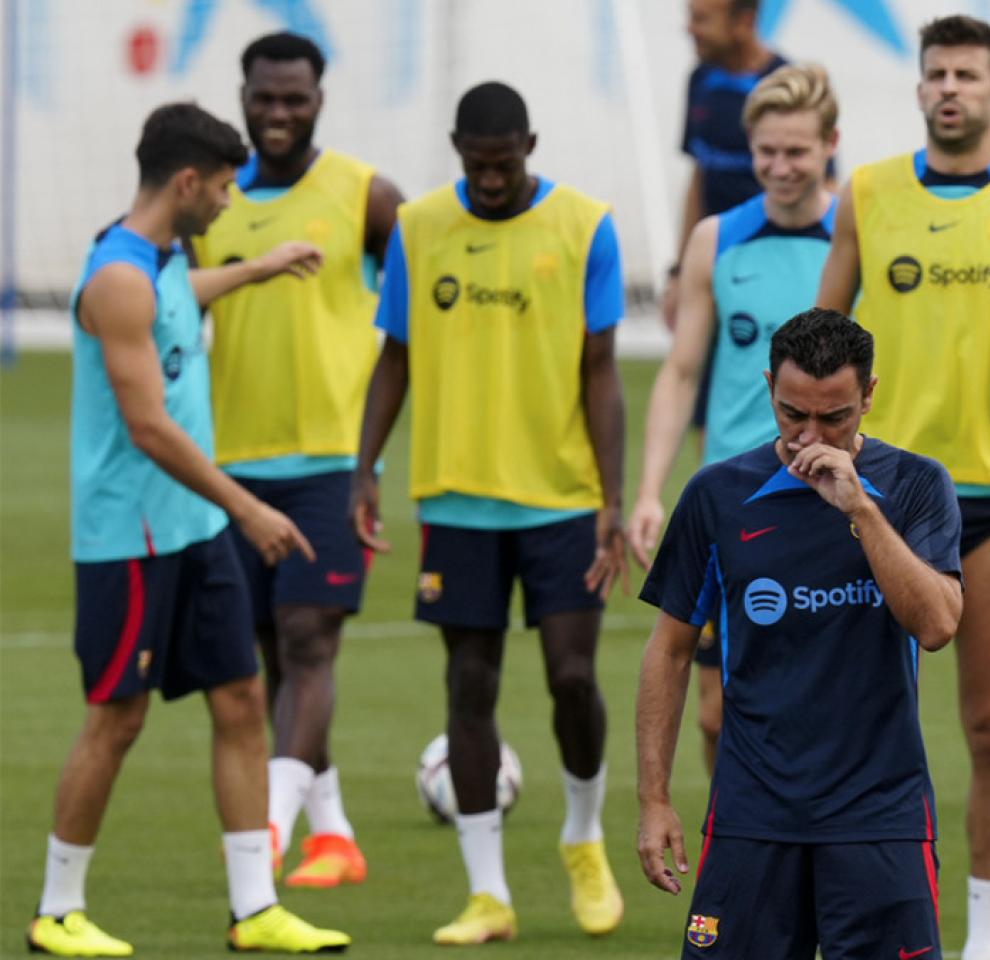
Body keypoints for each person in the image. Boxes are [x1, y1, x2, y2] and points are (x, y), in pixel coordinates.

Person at [28, 101, 348, 957]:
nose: (228, 203)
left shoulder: (163, 260)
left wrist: (258, 268)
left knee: (242, 699)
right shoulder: (117, 276)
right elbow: (150, 427)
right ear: (185, 182)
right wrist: (248, 507)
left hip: (194, 530)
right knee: (117, 719)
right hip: (131, 541)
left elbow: (178, 298)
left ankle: (254, 910)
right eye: (221, 188)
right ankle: (57, 910)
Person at [816, 15, 990, 960]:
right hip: (877, 495)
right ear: (920, 86)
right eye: (936, 73)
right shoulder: (869, 194)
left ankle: (985, 942)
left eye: (968, 75)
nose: (949, 89)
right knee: (848, 723)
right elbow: (818, 342)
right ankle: (841, 918)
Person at [350, 81, 628, 945]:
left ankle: (584, 835)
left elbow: (601, 370)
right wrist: (365, 470)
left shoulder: (586, 225)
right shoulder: (419, 227)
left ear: (530, 146)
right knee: (469, 685)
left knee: (572, 679)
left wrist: (613, 500)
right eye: (477, 164)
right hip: (457, 497)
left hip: (560, 497)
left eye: (505, 164)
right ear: (457, 150)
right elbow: (394, 356)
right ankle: (488, 894)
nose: (492, 178)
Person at [635, 308, 963, 959]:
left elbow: (937, 624)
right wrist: (654, 799)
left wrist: (859, 509)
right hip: (752, 818)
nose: (810, 435)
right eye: (793, 414)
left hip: (880, 818)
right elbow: (669, 652)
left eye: (835, 417)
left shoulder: (916, 486)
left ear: (869, 395)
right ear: (768, 388)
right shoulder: (717, 496)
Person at [191, 31, 404, 889]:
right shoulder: (213, 199)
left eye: (296, 99)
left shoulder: (364, 195)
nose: (279, 113)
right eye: (265, 98)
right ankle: (335, 834)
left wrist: (372, 457)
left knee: (310, 641)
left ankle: (268, 835)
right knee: (268, 654)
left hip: (329, 462)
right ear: (242, 97)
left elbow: (425, 301)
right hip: (230, 465)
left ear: (320, 99)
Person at [631, 63, 840, 778]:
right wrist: (652, 490)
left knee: (822, 701)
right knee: (719, 712)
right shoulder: (717, 241)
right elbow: (683, 370)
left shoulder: (857, 239)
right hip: (738, 499)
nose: (780, 168)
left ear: (829, 145)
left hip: (832, 500)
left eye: (797, 152)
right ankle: (745, 862)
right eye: (767, 152)